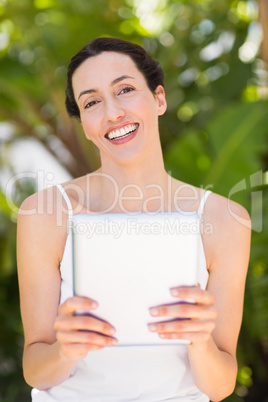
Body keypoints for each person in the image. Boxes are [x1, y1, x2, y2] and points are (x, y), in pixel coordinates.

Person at [17, 37, 251, 402]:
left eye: (124, 90)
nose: (112, 113)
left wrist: (201, 343)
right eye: (92, 102)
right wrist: (65, 349)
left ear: (159, 99)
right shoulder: (45, 214)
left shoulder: (224, 219)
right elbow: (35, 368)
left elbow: (220, 387)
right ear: (84, 123)